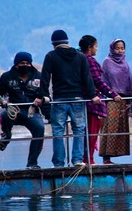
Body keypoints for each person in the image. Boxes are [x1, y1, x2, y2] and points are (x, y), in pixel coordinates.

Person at [34, 29, 101, 168]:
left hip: (60, 99)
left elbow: (45, 78)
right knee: (79, 129)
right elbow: (87, 78)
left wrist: (42, 96)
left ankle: (59, 163)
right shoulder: (80, 56)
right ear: (67, 42)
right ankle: (77, 160)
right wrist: (92, 95)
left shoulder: (51, 56)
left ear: (53, 44)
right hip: (78, 98)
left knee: (58, 131)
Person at [0, 52, 48, 169]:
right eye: (22, 63)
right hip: (13, 110)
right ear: (16, 64)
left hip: (32, 111)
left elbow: (45, 95)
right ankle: (6, 136)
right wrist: (1, 102)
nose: (25, 65)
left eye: (27, 63)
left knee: (40, 129)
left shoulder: (39, 76)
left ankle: (32, 163)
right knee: (4, 115)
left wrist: (48, 114)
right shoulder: (6, 77)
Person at [78, 35, 122, 165]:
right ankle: (89, 159)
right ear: (89, 47)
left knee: (84, 132)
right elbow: (97, 81)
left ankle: (85, 158)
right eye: (95, 46)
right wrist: (112, 94)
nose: (96, 49)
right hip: (92, 101)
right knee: (91, 132)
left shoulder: (78, 59)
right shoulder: (89, 61)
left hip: (83, 99)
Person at [100, 38, 132, 163]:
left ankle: (116, 156)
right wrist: (112, 94)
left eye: (122, 48)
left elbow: (129, 81)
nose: (120, 51)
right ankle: (106, 157)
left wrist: (130, 98)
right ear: (112, 49)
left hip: (124, 100)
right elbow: (104, 81)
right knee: (110, 127)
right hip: (111, 100)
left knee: (121, 128)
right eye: (117, 48)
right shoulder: (107, 62)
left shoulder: (125, 63)